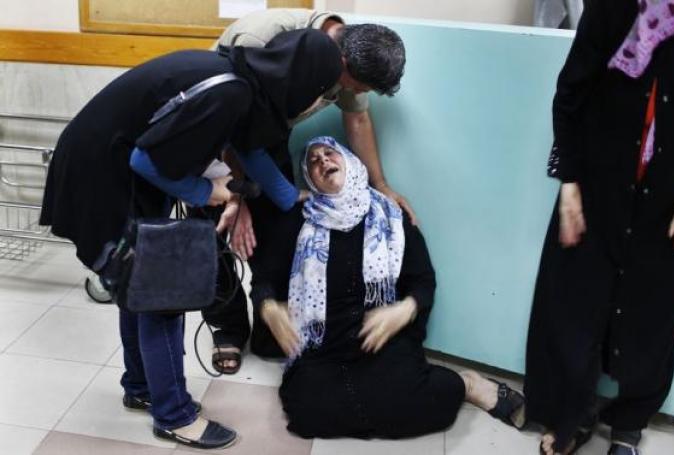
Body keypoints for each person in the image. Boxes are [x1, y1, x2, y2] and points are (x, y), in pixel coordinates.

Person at [39, 29, 342, 450]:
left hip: (111, 169)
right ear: (304, 84)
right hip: (101, 176)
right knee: (161, 294)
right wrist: (207, 193)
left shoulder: (247, 84)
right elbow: (145, 160)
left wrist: (292, 198)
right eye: (324, 96)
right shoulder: (229, 92)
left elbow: (250, 148)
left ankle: (142, 386)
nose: (319, 106)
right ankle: (175, 416)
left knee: (137, 287)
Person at [249, 136, 526, 438]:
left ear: (351, 163)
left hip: (379, 339)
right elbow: (263, 278)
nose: (323, 161)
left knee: (409, 404)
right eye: (313, 162)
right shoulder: (298, 221)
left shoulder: (391, 217)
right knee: (305, 416)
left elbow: (423, 281)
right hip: (322, 345)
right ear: (311, 180)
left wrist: (403, 311)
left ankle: (468, 384)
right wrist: (269, 308)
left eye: (330, 153)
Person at [524, 1, 674, 454]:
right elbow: (571, 92)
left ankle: (629, 425)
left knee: (653, 312)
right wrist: (569, 181)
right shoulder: (614, 6)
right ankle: (572, 415)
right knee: (575, 304)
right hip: (597, 184)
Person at [203, 8, 412, 375]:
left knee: (279, 229)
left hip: (267, 135)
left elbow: (358, 118)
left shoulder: (351, 55)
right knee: (216, 231)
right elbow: (232, 124)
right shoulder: (259, 37)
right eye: (357, 87)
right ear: (342, 61)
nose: (356, 94)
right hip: (215, 132)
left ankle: (272, 327)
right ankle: (228, 327)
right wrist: (239, 194)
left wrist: (381, 186)